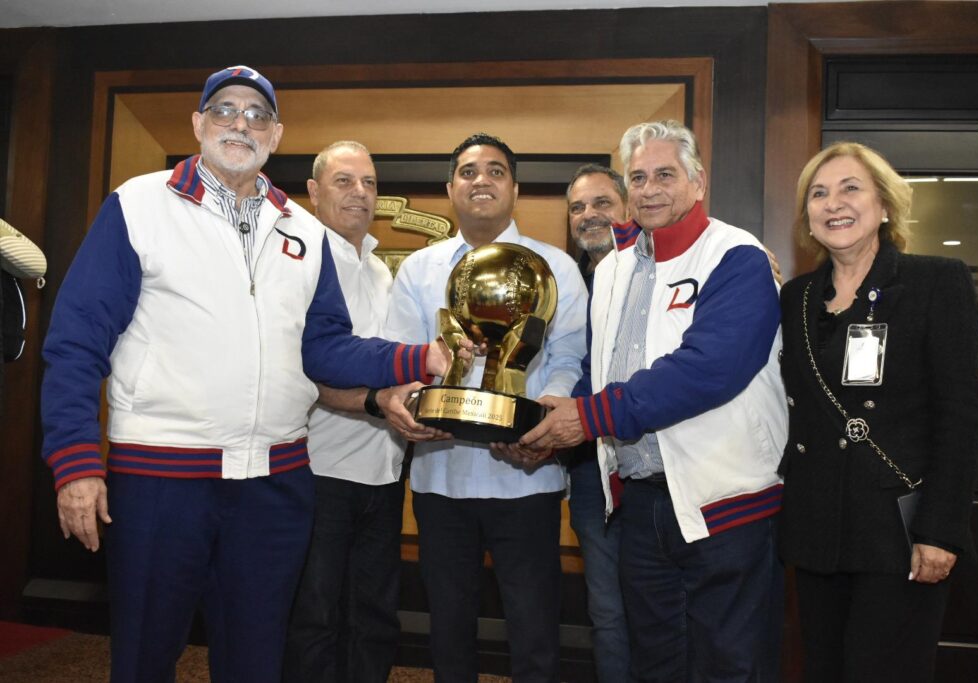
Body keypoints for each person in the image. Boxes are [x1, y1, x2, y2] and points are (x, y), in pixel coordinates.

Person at [39, 66, 460, 683]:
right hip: (162, 477)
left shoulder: (304, 231)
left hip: (275, 484)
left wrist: (417, 358)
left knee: (256, 659)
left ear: (277, 133)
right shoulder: (138, 204)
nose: (241, 123)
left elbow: (325, 348)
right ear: (198, 123)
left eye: (257, 114)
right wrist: (75, 464)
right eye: (226, 109)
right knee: (144, 655)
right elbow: (76, 344)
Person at [517, 120, 787, 682]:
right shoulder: (612, 267)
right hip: (639, 505)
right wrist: (543, 426)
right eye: (637, 177)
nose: (649, 188)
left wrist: (586, 419)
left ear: (698, 182)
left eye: (665, 174)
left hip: (723, 502)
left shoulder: (737, 256)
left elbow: (706, 371)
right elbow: (602, 374)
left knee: (729, 665)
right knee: (654, 663)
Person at [384, 133, 588, 682]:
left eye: (495, 171)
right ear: (450, 188)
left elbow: (569, 356)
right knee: (448, 630)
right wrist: (406, 400)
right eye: (469, 171)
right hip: (440, 475)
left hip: (526, 473)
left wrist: (549, 412)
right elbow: (400, 360)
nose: (482, 180)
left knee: (535, 628)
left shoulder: (556, 268)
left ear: (514, 188)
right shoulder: (419, 271)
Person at [777, 141, 978, 682]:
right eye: (818, 194)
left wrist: (941, 530)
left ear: (884, 205)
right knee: (822, 670)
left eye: (850, 188)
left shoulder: (936, 282)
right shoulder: (796, 297)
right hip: (817, 531)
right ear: (807, 217)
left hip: (899, 537)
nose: (832, 203)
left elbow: (961, 418)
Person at [283, 141, 443, 682]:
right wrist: (377, 401)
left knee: (374, 616)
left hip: (384, 470)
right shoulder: (298, 264)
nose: (360, 193)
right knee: (314, 617)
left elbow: (392, 370)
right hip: (318, 469)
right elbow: (304, 370)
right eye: (344, 181)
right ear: (313, 192)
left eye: (369, 183)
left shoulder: (379, 269)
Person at [562, 164, 631, 682]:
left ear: (628, 209)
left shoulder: (660, 272)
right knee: (607, 612)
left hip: (656, 467)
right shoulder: (564, 286)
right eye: (578, 207)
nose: (590, 215)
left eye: (602, 203)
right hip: (589, 473)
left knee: (663, 606)